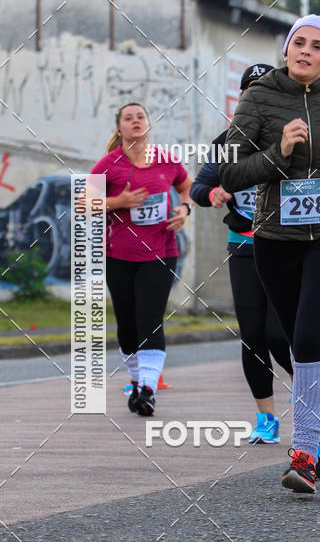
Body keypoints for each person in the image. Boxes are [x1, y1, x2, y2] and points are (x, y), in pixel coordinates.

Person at [220, 13, 320, 494]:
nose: (305, 52)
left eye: (317, 46)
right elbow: (232, 172)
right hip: (274, 239)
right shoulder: (259, 97)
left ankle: (305, 451)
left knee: (310, 337)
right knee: (292, 340)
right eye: (298, 43)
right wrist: (281, 152)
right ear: (287, 49)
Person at [190, 63, 293, 444]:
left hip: (286, 247)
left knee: (278, 335)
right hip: (245, 244)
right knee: (252, 336)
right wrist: (212, 193)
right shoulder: (226, 143)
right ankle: (266, 417)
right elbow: (199, 187)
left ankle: (312, 398)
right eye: (250, 92)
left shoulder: (296, 138)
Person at [90, 102, 193, 415]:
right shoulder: (109, 164)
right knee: (127, 324)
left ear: (148, 124)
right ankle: (137, 383)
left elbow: (186, 185)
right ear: (119, 128)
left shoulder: (166, 160)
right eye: (128, 118)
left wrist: (184, 209)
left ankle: (148, 389)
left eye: (140, 117)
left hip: (161, 252)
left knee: (149, 319)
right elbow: (85, 203)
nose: (135, 122)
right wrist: (119, 201)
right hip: (119, 255)